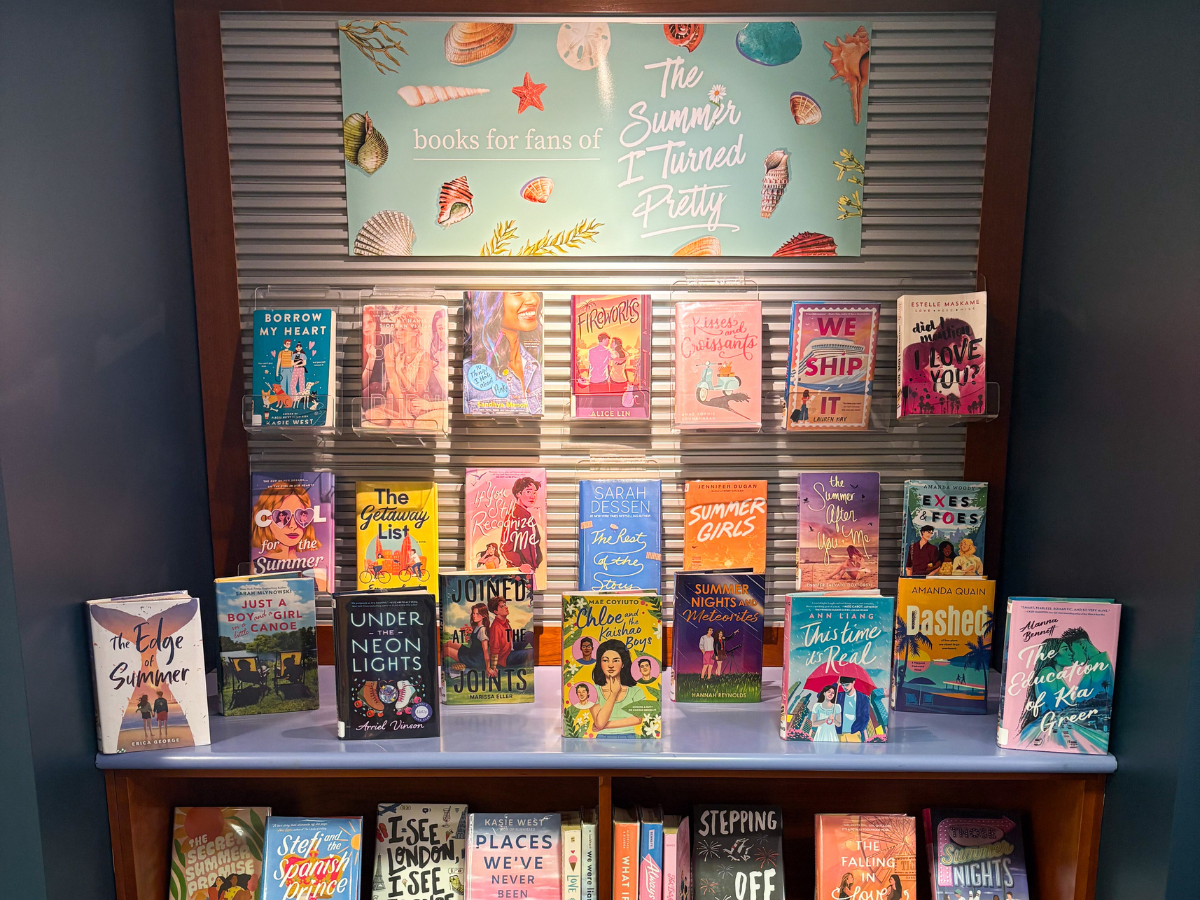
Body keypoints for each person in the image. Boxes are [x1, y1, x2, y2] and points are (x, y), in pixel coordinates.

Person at [464, 291, 543, 414]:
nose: (533, 299)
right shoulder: (467, 373)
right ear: (490, 302)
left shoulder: (539, 366)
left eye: (534, 292)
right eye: (517, 293)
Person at [250, 479, 327, 591]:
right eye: (282, 515)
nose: (292, 525)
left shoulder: (317, 573)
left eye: (300, 515)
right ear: (265, 518)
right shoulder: (256, 567)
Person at [590, 639, 648, 737]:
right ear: (600, 663)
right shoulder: (593, 691)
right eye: (605, 660)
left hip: (629, 736)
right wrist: (614, 693)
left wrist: (605, 726)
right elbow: (599, 723)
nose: (611, 665)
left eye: (616, 660)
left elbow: (638, 719)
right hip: (602, 738)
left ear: (623, 664)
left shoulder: (635, 691)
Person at [500, 476, 544, 579]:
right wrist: (519, 564)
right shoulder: (514, 516)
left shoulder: (529, 518)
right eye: (528, 492)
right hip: (518, 573)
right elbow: (506, 548)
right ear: (518, 494)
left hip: (529, 571)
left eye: (534, 493)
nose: (532, 496)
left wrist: (536, 562)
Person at [487, 595, 533, 669]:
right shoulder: (496, 627)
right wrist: (494, 667)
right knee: (533, 651)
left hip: (510, 648)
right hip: (506, 657)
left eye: (505, 605)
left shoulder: (505, 622)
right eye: (501, 607)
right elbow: (494, 648)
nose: (506, 607)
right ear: (495, 612)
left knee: (528, 634)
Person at [442, 603, 491, 673]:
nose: (474, 616)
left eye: (477, 614)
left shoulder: (482, 630)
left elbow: (485, 650)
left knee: (447, 650)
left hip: (476, 660)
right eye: (473, 613)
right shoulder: (477, 627)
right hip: (472, 653)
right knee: (450, 643)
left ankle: (439, 666)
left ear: (484, 616)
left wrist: (488, 668)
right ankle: (439, 659)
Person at [836, 676, 871, 741]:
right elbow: (821, 696)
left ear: (853, 682)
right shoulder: (839, 696)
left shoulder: (862, 698)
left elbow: (865, 717)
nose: (845, 687)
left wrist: (859, 731)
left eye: (847, 685)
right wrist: (836, 685)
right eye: (843, 685)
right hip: (840, 733)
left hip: (855, 733)